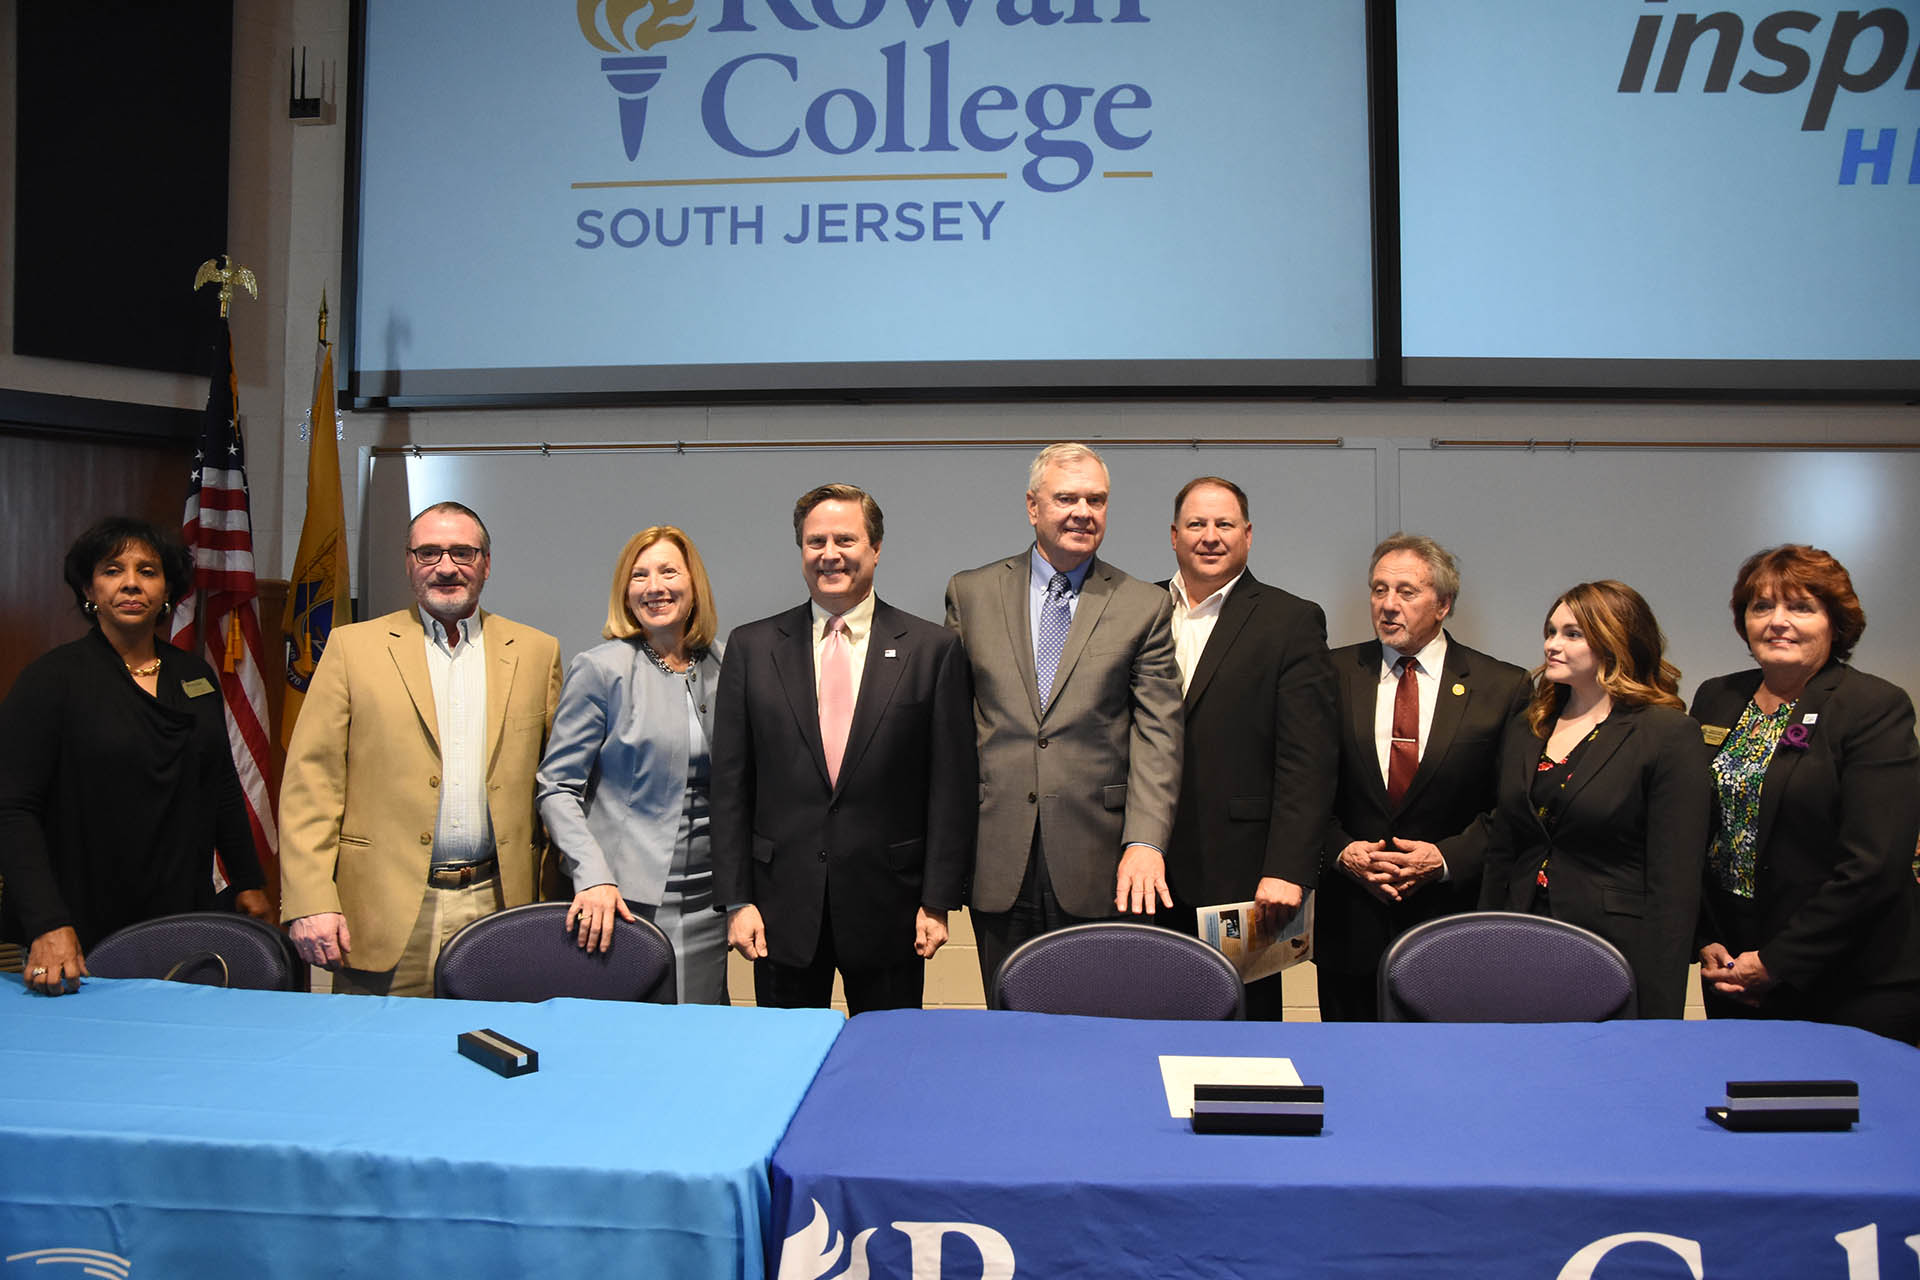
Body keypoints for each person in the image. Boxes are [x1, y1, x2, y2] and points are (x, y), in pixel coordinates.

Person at [711, 484, 975, 1013]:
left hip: (892, 908)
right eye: (815, 542)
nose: (829, 554)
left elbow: (952, 785)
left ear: (875, 548)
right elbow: (731, 786)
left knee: (888, 1066)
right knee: (787, 1066)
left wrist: (938, 900)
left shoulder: (932, 650)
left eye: (845, 539)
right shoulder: (751, 647)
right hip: (780, 907)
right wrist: (738, 899)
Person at [280, 501, 562, 996]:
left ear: (486, 564)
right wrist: (310, 898)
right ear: (409, 562)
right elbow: (311, 785)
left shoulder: (538, 652)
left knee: (497, 1054)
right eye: (429, 552)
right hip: (383, 911)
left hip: (502, 904)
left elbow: (557, 784)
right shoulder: (352, 648)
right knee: (380, 1062)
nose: (446, 567)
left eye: (463, 553)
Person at [944, 442, 1183, 991]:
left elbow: (1159, 733)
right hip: (996, 852)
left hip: (1100, 858)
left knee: (1097, 1023)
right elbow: (951, 730)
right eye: (1066, 498)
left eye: (1096, 500)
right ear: (1033, 507)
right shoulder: (972, 592)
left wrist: (1145, 842)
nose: (1083, 511)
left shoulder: (1142, 604)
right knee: (1007, 1023)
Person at [0, 518, 271, 995]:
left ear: (166, 589)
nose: (131, 583)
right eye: (112, 570)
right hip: (77, 921)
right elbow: (13, 811)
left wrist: (248, 881)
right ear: (89, 588)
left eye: (147, 570)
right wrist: (45, 922)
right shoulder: (50, 680)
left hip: (184, 912)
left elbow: (222, 785)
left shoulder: (196, 678)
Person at [1691, 545, 1920, 1042]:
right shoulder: (1716, 697)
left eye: (1800, 607)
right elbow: (1693, 829)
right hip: (1733, 966)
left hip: (1849, 976)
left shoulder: (1874, 707)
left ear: (1834, 623)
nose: (1778, 621)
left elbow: (1874, 863)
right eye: (1761, 607)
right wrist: (1706, 938)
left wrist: (1778, 962)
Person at [1316, 535, 1530, 1020]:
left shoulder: (1503, 687)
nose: (1388, 605)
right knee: (1354, 1074)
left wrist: (1445, 857)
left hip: (1451, 921)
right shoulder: (1330, 673)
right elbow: (1300, 786)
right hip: (1351, 924)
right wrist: (1341, 850)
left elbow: (1513, 806)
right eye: (1378, 590)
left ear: (1444, 605)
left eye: (1406, 592)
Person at [1479, 580, 1709, 1019]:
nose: (1552, 644)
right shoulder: (1529, 726)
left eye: (1571, 634)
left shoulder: (1665, 733)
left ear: (1613, 641)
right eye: (1550, 631)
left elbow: (1674, 884)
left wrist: (1659, 1006)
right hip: (1522, 934)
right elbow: (1504, 848)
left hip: (1615, 948)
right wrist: (1487, 942)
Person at [1159, 476, 1336, 1021]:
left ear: (1249, 535)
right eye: (1196, 524)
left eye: (1224, 524)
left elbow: (1308, 760)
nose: (1210, 537)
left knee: (1241, 1035)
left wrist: (1288, 868)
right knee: (1143, 1028)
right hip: (1144, 871)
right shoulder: (1135, 610)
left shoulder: (1291, 621)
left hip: (1245, 880)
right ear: (1173, 535)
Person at [537, 526, 727, 1005]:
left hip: (709, 899)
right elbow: (557, 787)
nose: (653, 586)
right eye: (638, 576)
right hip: (620, 900)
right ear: (625, 592)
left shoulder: (726, 665)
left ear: (694, 583)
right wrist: (592, 874)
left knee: (701, 1043)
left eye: (668, 571)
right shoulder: (601, 668)